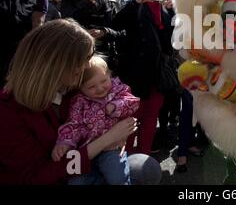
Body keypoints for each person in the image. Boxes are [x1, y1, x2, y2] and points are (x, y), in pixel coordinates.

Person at [0, 19, 161, 185]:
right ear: (55, 63)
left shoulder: (74, 87)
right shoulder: (7, 110)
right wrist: (105, 140)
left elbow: (119, 101)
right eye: (83, 58)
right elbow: (38, 176)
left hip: (91, 163)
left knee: (148, 169)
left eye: (90, 56)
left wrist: (117, 128)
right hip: (63, 177)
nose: (87, 66)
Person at [112, 0, 176, 155]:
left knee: (150, 118)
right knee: (131, 118)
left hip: (157, 74)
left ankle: (143, 156)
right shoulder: (136, 6)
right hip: (134, 73)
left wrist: (171, 10)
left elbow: (171, 43)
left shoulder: (164, 12)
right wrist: (136, 1)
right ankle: (126, 157)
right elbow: (116, 23)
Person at [52, 56, 140, 185]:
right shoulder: (79, 102)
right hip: (86, 148)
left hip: (111, 148)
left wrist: (116, 106)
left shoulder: (118, 89)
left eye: (104, 81)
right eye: (91, 87)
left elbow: (133, 102)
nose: (100, 88)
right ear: (80, 88)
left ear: (109, 75)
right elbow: (74, 125)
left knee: (118, 177)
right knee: (75, 182)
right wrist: (65, 142)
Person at [61, 0, 122, 71]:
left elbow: (118, 31)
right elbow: (67, 21)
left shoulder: (108, 3)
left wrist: (104, 32)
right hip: (75, 52)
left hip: (102, 55)